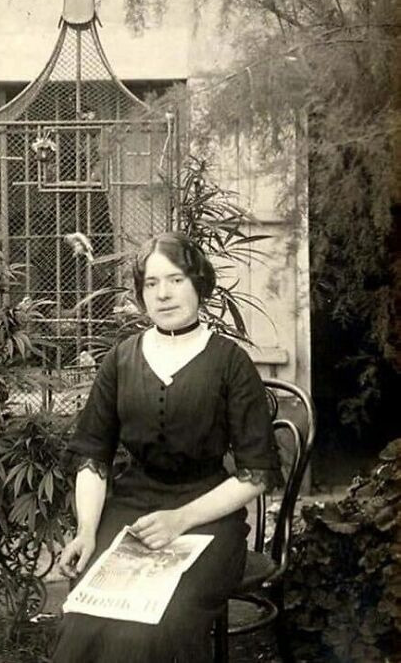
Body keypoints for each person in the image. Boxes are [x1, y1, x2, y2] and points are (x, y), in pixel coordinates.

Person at [52, 232, 281, 663]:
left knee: (152, 627)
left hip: (207, 517)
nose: (163, 293)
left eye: (175, 280)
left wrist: (180, 520)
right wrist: (86, 529)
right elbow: (93, 457)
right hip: (132, 510)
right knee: (85, 617)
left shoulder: (230, 362)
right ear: (141, 295)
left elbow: (257, 473)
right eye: (151, 283)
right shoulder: (121, 359)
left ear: (199, 284)